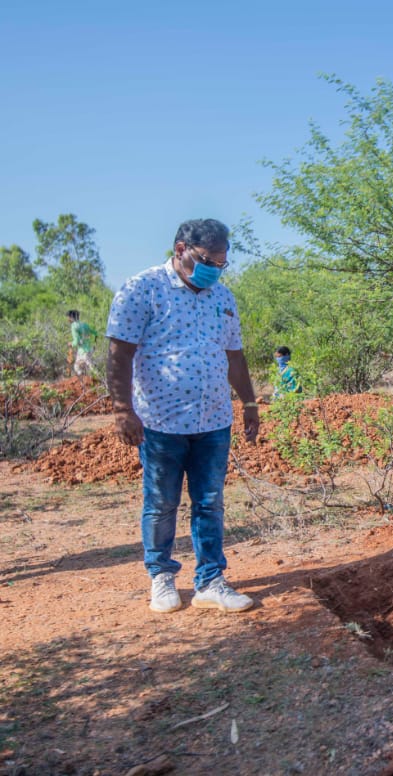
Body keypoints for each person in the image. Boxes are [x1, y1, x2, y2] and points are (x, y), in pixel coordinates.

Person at [106, 218, 258, 614]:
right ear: (180, 250)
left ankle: (210, 579)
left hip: (213, 422)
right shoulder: (142, 289)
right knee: (161, 503)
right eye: (207, 261)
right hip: (161, 423)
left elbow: (234, 356)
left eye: (221, 264)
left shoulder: (223, 297)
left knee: (210, 503)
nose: (214, 270)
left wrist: (249, 403)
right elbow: (119, 354)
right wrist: (123, 409)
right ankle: (161, 576)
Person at [67, 309, 99, 377]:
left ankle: (99, 379)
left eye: (69, 317)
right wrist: (95, 344)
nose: (68, 319)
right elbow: (95, 333)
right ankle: (86, 380)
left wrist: (71, 344)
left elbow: (76, 342)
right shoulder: (85, 325)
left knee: (78, 367)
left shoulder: (74, 326)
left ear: (72, 317)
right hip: (90, 350)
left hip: (83, 351)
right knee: (83, 366)